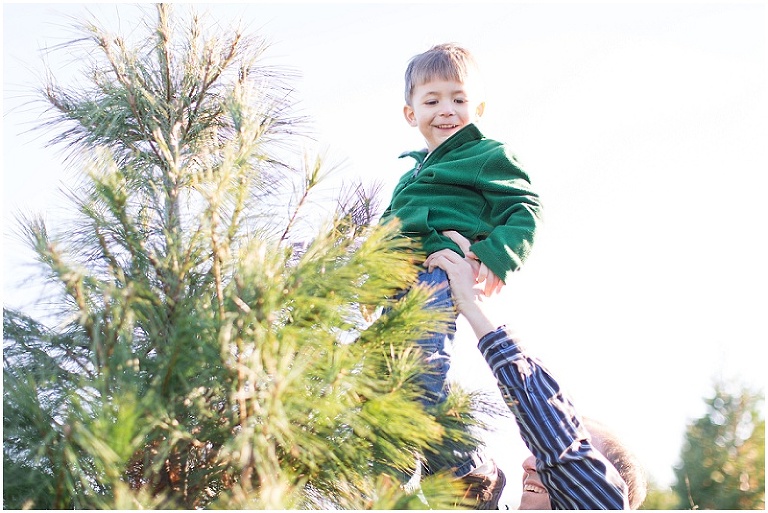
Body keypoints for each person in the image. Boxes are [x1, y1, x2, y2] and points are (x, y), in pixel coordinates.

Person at [378, 43, 543, 507]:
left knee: (418, 372)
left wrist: (491, 258)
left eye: (459, 99)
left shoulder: (487, 155)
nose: (446, 110)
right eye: (432, 101)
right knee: (385, 373)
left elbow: (525, 209)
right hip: (400, 286)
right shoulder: (410, 177)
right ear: (411, 113)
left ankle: (393, 473)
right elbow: (386, 231)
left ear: (479, 108)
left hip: (438, 278)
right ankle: (471, 472)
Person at [424, 247, 648, 510]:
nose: (528, 463)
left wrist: (474, 304)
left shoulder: (605, 504)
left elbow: (556, 438)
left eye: (583, 450)